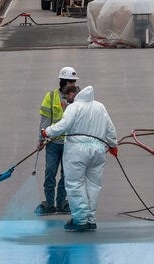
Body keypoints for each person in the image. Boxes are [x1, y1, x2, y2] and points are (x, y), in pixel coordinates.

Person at [45, 84, 118, 232]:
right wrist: (113, 145)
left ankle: (80, 220)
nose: (66, 101)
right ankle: (91, 219)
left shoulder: (74, 107)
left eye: (66, 98)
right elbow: (110, 128)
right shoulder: (100, 107)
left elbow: (63, 125)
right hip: (98, 150)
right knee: (93, 184)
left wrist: (47, 132)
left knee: (75, 184)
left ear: (72, 94)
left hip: (77, 151)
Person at [35, 66, 78, 215]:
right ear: (63, 82)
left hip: (69, 144)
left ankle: (61, 203)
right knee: (50, 172)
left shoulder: (77, 98)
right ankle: (49, 203)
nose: (72, 84)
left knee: (67, 175)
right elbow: (45, 119)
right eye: (70, 81)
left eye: (73, 81)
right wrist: (41, 139)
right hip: (53, 143)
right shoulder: (51, 96)